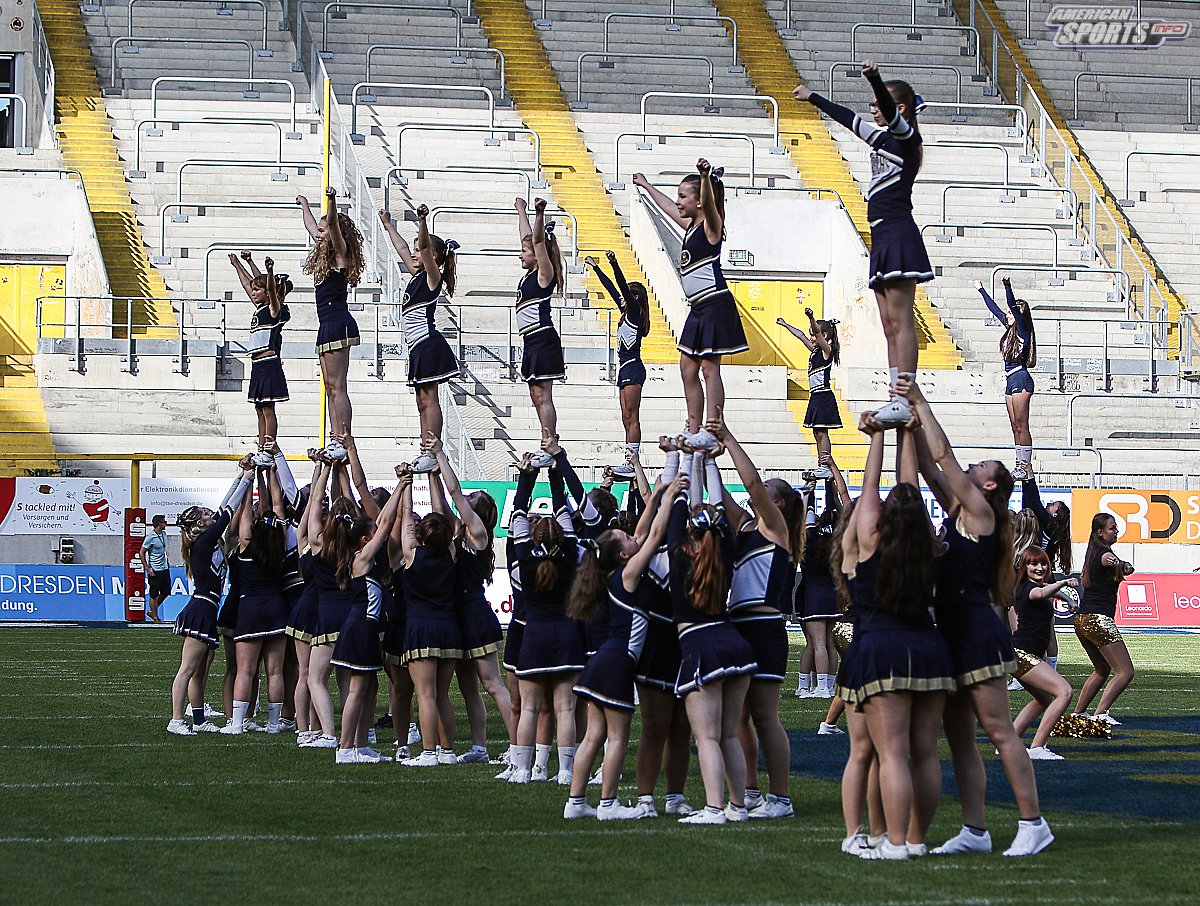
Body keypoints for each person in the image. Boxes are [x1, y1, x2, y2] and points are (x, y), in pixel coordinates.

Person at [899, 376, 1055, 858]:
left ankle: (1033, 823)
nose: (967, 467)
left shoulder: (985, 514)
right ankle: (975, 829)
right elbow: (927, 465)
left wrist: (919, 398)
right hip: (952, 628)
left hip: (977, 629)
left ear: (989, 485)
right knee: (960, 737)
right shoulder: (959, 510)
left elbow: (943, 457)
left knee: (998, 731)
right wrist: (901, 426)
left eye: (978, 467)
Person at [836, 415, 953, 860]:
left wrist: (878, 436)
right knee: (924, 753)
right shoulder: (927, 544)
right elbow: (909, 492)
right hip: (929, 647)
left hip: (882, 648)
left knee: (890, 754)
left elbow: (869, 493)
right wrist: (906, 428)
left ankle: (897, 843)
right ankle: (917, 840)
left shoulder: (870, 537)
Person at [794, 62, 931, 426]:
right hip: (882, 234)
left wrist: (874, 79)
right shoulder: (884, 139)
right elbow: (849, 120)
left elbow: (881, 112)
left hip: (899, 231)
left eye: (878, 103)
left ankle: (907, 390)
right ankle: (895, 393)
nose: (872, 108)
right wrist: (814, 99)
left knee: (901, 321)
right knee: (887, 323)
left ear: (898, 109)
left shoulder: (906, 140)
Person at [564, 473, 680, 820]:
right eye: (627, 538)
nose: (635, 538)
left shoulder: (616, 573)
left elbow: (642, 534)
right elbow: (655, 535)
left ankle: (575, 802)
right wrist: (669, 497)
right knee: (616, 738)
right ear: (622, 553)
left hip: (601, 661)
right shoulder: (627, 576)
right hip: (617, 663)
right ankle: (609, 804)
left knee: (593, 737)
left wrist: (656, 492)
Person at [707, 412, 806, 820]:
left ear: (778, 502)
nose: (759, 490)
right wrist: (703, 455)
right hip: (737, 625)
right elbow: (721, 500)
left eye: (768, 490)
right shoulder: (748, 525)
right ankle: (748, 790)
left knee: (764, 715)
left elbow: (748, 484)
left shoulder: (776, 527)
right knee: (739, 717)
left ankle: (780, 797)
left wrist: (727, 438)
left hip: (764, 628)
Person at [668, 443, 757, 825]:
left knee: (705, 738)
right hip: (735, 644)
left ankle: (715, 808)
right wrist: (705, 456)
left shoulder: (677, 554)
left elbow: (677, 502)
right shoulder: (724, 552)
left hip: (701, 647)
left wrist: (685, 457)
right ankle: (738, 806)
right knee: (729, 736)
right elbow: (718, 510)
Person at [633, 159, 748, 451]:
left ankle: (713, 426)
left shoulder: (711, 225)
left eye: (684, 196)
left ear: (699, 200)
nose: (678, 200)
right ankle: (693, 425)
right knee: (687, 367)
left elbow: (710, 205)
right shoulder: (690, 225)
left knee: (710, 369)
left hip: (714, 303)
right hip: (697, 308)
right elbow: (667, 208)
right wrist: (646, 185)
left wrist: (704, 177)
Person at [424, 434, 514, 765]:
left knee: (492, 685)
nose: (468, 497)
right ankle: (479, 746)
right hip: (458, 615)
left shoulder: (478, 531)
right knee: (468, 689)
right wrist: (432, 472)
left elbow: (455, 496)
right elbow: (442, 508)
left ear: (480, 510)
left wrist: (441, 454)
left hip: (475, 614)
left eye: (473, 498)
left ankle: (519, 747)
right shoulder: (460, 530)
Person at [631, 438, 696, 819]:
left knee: (682, 728)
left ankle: (674, 795)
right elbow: (650, 528)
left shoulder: (696, 558)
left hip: (686, 645)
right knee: (655, 726)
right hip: (656, 644)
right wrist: (674, 463)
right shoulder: (647, 555)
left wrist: (685, 458)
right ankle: (643, 799)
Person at [167, 463, 253, 735]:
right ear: (199, 525)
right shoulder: (204, 542)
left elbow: (224, 506)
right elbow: (227, 513)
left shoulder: (206, 541)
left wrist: (240, 477)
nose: (210, 514)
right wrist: (248, 478)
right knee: (187, 669)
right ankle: (176, 720)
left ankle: (199, 718)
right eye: (205, 514)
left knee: (201, 669)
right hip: (201, 607)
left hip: (208, 607)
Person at [330, 475, 404, 764]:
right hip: (360, 627)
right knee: (357, 690)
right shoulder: (362, 558)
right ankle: (346, 748)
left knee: (366, 688)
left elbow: (381, 520)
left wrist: (401, 488)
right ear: (364, 539)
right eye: (372, 533)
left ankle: (361, 746)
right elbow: (385, 524)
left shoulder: (358, 553)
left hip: (365, 627)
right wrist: (401, 485)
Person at [380, 205, 461, 467]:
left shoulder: (431, 277)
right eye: (414, 249)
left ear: (434, 257)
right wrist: (388, 224)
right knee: (420, 401)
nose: (414, 253)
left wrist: (422, 221)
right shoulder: (416, 276)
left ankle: (433, 447)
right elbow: (402, 249)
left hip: (427, 343)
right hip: (416, 346)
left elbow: (424, 250)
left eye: (420, 250)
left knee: (429, 398)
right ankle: (424, 446)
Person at [398, 467, 465, 767]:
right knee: (442, 695)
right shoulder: (451, 551)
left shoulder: (412, 553)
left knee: (425, 695)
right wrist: (433, 475)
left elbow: (406, 516)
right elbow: (443, 515)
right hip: (448, 628)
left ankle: (427, 753)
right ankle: (447, 751)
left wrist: (407, 482)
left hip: (420, 628)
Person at [221, 459, 290, 735]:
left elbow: (245, 515)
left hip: (249, 607)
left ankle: (237, 723)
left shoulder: (246, 546)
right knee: (275, 671)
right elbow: (277, 509)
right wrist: (271, 473)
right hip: (276, 607)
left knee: (245, 670)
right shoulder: (280, 544)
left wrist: (249, 479)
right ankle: (273, 724)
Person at [298, 187, 365, 443]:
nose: (319, 234)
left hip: (338, 323)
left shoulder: (339, 254)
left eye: (324, 231)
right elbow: (311, 226)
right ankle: (334, 433)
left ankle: (343, 435)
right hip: (326, 324)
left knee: (337, 387)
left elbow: (333, 227)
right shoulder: (324, 254)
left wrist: (332, 201)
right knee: (329, 387)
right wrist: (304, 204)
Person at [585, 250, 650, 478]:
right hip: (624, 369)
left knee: (632, 416)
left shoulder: (634, 313)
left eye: (628, 297)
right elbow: (612, 289)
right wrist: (595, 268)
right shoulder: (625, 313)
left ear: (636, 299)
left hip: (633, 366)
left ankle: (633, 462)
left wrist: (614, 263)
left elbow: (620, 286)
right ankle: (628, 459)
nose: (622, 299)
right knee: (625, 417)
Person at [514, 197, 566, 468]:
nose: (521, 254)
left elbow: (534, 241)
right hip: (530, 340)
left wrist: (539, 213)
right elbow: (527, 237)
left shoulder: (544, 273)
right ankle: (545, 440)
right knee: (536, 395)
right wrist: (521, 211)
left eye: (525, 251)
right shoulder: (529, 273)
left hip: (543, 339)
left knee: (543, 395)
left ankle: (550, 442)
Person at [1010, 547, 1076, 760]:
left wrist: (1069, 599)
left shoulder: (1038, 585)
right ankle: (1038, 747)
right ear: (1024, 567)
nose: (1039, 567)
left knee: (1043, 699)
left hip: (1026, 655)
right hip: (1022, 654)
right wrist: (1065, 583)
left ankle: (1007, 743)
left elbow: (1048, 589)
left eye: (1043, 564)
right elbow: (1040, 593)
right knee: (1064, 691)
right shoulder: (1027, 589)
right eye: (1033, 564)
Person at [796, 453, 850, 699]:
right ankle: (819, 685)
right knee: (826, 643)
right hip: (833, 594)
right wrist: (828, 481)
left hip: (812, 594)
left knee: (816, 643)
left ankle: (821, 687)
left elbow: (806, 514)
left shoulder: (809, 539)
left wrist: (810, 488)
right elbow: (837, 509)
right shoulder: (837, 539)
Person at [1074, 513, 1136, 725]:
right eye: (1112, 528)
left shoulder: (1093, 552)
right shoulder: (1104, 554)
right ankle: (1100, 713)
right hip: (1098, 620)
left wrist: (1123, 564)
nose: (1116, 531)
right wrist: (1119, 563)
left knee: (1102, 670)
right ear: (1100, 532)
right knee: (1125, 671)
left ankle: (1079, 712)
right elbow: (1111, 561)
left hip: (1082, 619)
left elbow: (1123, 566)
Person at [975, 276, 1036, 481]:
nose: (1008, 315)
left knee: (1021, 424)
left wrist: (1007, 286)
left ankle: (1025, 465)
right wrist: (981, 290)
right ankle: (1019, 463)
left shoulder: (1023, 331)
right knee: (1014, 425)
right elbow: (995, 309)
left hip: (1021, 378)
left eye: (1012, 313)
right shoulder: (1010, 331)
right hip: (1010, 379)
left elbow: (1011, 304)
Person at [777, 300, 843, 461]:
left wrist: (811, 318)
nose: (811, 337)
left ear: (825, 335)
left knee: (822, 431)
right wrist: (785, 324)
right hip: (815, 396)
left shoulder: (827, 350)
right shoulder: (814, 351)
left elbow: (818, 334)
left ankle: (825, 461)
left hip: (823, 395)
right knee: (816, 432)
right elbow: (800, 335)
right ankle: (821, 461)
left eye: (813, 334)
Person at [239, 255, 293, 448]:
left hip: (269, 363)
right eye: (253, 290)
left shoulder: (275, 309)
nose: (252, 292)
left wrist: (269, 271)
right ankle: (261, 444)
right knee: (259, 407)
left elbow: (268, 288)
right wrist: (241, 263)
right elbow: (250, 283)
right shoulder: (261, 308)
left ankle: (269, 444)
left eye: (257, 290)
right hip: (257, 364)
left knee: (268, 407)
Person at [141, 514, 171, 623]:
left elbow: (163, 550)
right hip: (155, 570)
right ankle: (155, 617)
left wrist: (167, 561)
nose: (166, 524)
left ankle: (152, 611)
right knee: (153, 594)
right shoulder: (150, 537)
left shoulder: (163, 534)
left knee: (166, 591)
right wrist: (147, 568)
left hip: (164, 568)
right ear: (159, 523)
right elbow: (142, 552)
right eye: (164, 522)